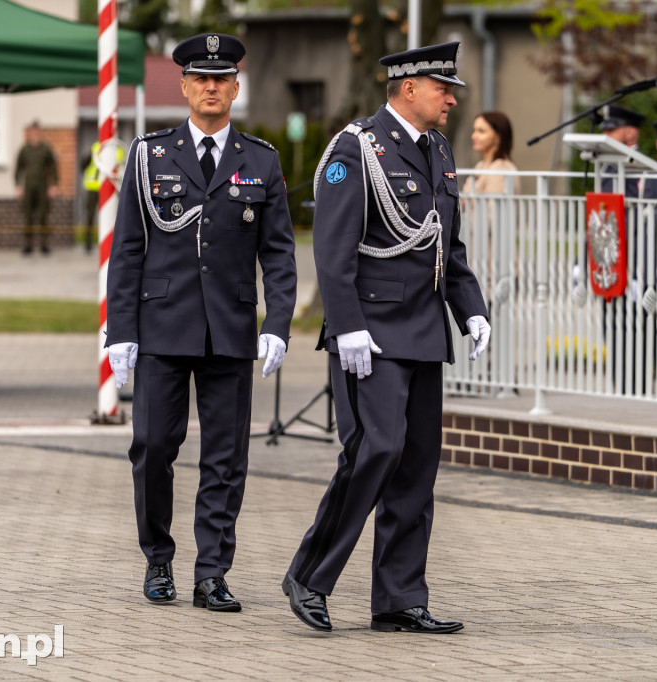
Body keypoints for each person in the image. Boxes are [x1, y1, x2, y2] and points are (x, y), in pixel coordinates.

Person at [282, 42, 490, 635]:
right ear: (408, 88)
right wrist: (346, 325)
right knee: (377, 449)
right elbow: (332, 247)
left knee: (417, 464)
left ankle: (399, 597)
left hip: (424, 330)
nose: (451, 99)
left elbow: (448, 247)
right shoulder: (356, 149)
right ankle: (309, 575)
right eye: (442, 88)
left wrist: (471, 310)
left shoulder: (438, 152)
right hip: (370, 332)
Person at [106, 33, 297, 611]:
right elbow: (128, 250)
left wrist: (278, 323)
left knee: (225, 456)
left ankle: (212, 571)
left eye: (222, 78)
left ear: (236, 88)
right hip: (163, 324)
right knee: (152, 445)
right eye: (200, 78)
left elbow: (280, 253)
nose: (211, 87)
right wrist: (121, 332)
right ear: (185, 86)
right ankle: (158, 559)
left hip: (231, 329)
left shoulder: (260, 160)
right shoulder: (149, 155)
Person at [14, 121, 58, 255]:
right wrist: (18, 186)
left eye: (37, 131)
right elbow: (18, 168)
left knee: (44, 215)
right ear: (30, 132)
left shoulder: (45, 149)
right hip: (28, 186)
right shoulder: (25, 149)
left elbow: (53, 168)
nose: (35, 133)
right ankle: (28, 245)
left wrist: (54, 185)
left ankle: (44, 245)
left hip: (42, 186)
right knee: (28, 215)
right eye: (33, 131)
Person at [464, 111, 520, 195]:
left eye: (481, 131)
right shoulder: (480, 165)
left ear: (498, 137)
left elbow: (494, 207)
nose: (474, 136)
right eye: (474, 130)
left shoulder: (500, 168)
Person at [595, 104, 645, 196]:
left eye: (610, 130)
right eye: (604, 130)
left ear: (630, 132)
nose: (605, 135)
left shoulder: (637, 164)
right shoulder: (610, 160)